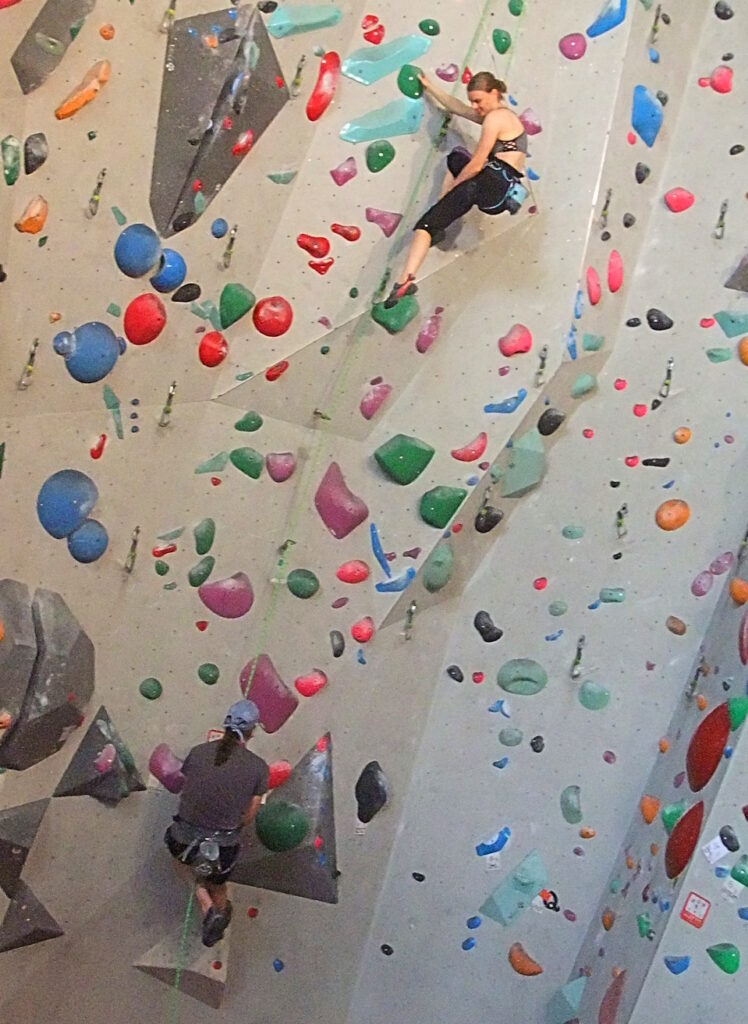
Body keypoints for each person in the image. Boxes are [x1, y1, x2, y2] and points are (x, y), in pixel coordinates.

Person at [385, 71, 528, 308]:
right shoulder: (505, 117)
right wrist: (429, 86)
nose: (475, 107)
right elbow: (457, 107)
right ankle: (440, 219)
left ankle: (404, 280)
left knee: (425, 226)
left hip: (491, 183)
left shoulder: (495, 119)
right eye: (473, 101)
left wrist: (455, 186)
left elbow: (478, 163)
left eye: (478, 101)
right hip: (500, 190)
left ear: (494, 93)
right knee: (456, 158)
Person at [164, 699, 269, 947]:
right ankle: (218, 916)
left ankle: (205, 902)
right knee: (218, 883)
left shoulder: (198, 752)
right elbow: (250, 815)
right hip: (222, 847)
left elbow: (189, 790)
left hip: (183, 840)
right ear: (252, 731)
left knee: (181, 863)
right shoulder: (258, 768)